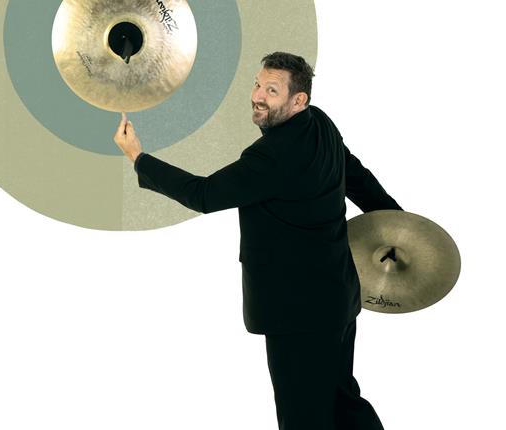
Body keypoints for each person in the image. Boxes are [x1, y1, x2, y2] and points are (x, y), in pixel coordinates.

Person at [114, 52, 401, 430]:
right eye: (257, 84)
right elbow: (358, 177)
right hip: (338, 301)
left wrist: (138, 158)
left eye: (271, 90)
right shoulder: (321, 125)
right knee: (342, 400)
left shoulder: (272, 156)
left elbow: (204, 194)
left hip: (297, 314)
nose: (257, 96)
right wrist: (399, 226)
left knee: (304, 417)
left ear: (299, 100)